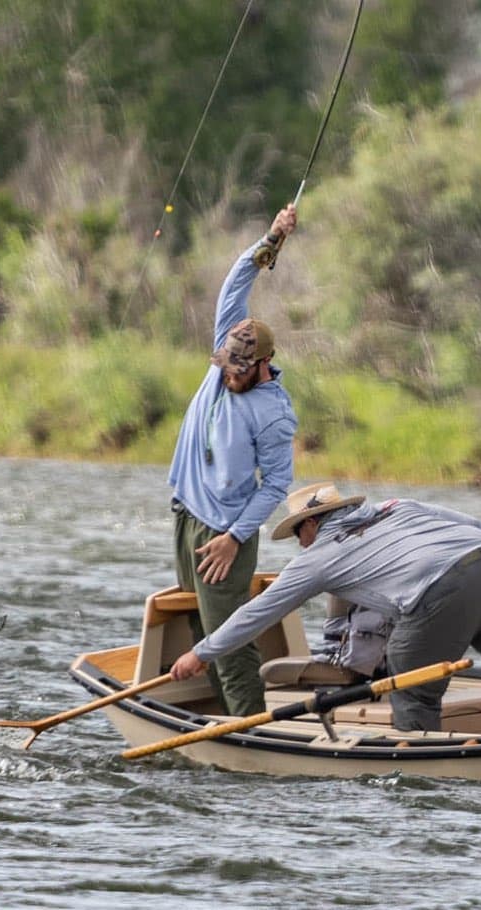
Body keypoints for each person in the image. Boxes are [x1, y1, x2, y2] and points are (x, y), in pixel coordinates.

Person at [170, 482, 481, 731]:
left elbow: (258, 613)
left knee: (410, 681)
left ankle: (426, 774)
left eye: (298, 534)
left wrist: (201, 653)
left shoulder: (319, 555)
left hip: (443, 589)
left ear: (312, 525)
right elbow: (476, 526)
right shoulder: (398, 506)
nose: (299, 543)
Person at [168, 204, 299, 716]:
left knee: (227, 638)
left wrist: (235, 537)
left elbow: (275, 486)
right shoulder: (228, 343)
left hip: (225, 533)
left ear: (263, 365)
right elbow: (236, 282)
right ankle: (220, 721)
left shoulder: (273, 413)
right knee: (198, 624)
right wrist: (272, 237)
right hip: (186, 516)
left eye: (240, 368)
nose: (228, 373)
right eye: (226, 363)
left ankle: (247, 727)